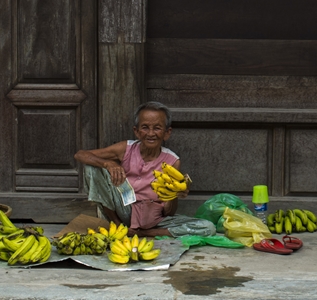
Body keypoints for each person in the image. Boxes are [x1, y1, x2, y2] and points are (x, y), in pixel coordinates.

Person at [74, 102, 213, 238]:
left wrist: (174, 195)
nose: (151, 133)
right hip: (124, 209)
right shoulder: (126, 149)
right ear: (136, 131)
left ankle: (144, 233)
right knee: (92, 166)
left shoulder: (172, 161)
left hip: (154, 219)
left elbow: (169, 213)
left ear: (167, 133)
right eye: (145, 127)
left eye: (157, 128)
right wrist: (108, 163)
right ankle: (117, 224)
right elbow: (80, 155)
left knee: (208, 227)